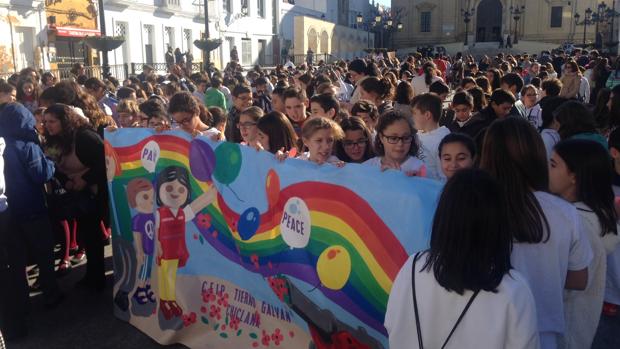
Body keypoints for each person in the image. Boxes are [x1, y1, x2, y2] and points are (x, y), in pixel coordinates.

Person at [385, 168, 539, 349]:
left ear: (444, 215)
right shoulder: (513, 289)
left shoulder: (413, 267)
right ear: (498, 221)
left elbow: (392, 324)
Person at [479, 117, 592, 348]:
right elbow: (580, 279)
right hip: (543, 329)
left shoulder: (472, 207)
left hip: (484, 326)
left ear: (487, 156)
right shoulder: (565, 213)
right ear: (537, 155)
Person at [0, 103, 63, 339]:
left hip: (8, 213)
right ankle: (51, 294)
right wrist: (51, 162)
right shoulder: (27, 146)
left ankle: (22, 302)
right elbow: (42, 174)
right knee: (43, 253)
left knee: (16, 261)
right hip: (32, 208)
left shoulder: (2, 145)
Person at [549, 139, 620, 349]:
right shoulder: (593, 215)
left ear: (574, 176)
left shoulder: (577, 223)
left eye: (553, 165)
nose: (547, 170)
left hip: (567, 331)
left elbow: (574, 281)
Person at [43, 104, 109, 290]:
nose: (48, 125)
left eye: (52, 121)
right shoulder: (55, 140)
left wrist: (85, 179)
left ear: (65, 121)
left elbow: (106, 161)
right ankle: (91, 275)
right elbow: (54, 166)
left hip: (95, 193)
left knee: (93, 236)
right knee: (86, 236)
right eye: (45, 121)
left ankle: (97, 279)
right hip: (76, 194)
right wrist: (67, 181)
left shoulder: (84, 137)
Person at [364, 111, 426, 177]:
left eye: (406, 138)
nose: (400, 144)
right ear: (381, 137)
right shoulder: (367, 167)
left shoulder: (420, 169)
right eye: (393, 138)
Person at [411, 93, 450, 180]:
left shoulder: (442, 140)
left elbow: (444, 176)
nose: (412, 117)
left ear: (427, 115)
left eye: (414, 113)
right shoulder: (418, 135)